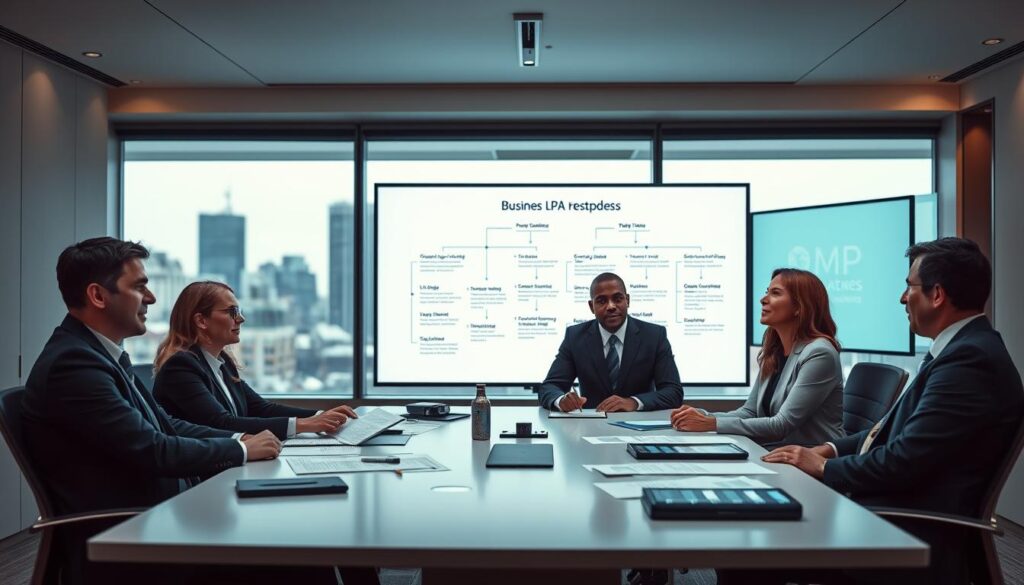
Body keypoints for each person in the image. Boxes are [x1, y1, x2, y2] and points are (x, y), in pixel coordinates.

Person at [754, 237, 1024, 585]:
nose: (902, 297)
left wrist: (823, 467)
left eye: (910, 286)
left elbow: (903, 461)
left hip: (903, 529)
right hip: (885, 513)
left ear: (937, 295)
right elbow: (885, 434)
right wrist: (829, 450)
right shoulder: (960, 350)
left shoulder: (970, 360)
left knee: (752, 546)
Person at [21, 237, 281, 584]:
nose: (152, 298)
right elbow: (154, 449)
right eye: (140, 286)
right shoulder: (74, 365)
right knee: (289, 558)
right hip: (131, 533)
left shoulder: (101, 355)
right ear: (98, 296)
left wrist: (240, 440)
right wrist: (241, 450)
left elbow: (166, 426)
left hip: (159, 516)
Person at [153, 281, 356, 440]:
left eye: (239, 312)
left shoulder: (223, 362)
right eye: (231, 312)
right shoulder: (180, 367)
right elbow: (221, 423)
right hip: (204, 475)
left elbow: (260, 408)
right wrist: (305, 425)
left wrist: (321, 415)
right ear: (201, 320)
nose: (241, 319)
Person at [669, 268, 844, 447]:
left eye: (775, 293)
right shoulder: (775, 350)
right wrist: (704, 417)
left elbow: (782, 425)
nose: (763, 299)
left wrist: (711, 423)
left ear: (799, 307)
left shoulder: (819, 353)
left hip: (810, 456)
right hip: (775, 450)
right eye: (767, 292)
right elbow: (749, 412)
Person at [538, 272, 684, 412]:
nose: (611, 306)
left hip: (640, 424)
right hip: (591, 424)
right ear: (591, 306)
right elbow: (549, 387)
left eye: (617, 299)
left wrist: (633, 402)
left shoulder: (654, 336)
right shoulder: (575, 337)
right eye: (602, 301)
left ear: (627, 300)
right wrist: (561, 400)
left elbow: (673, 392)